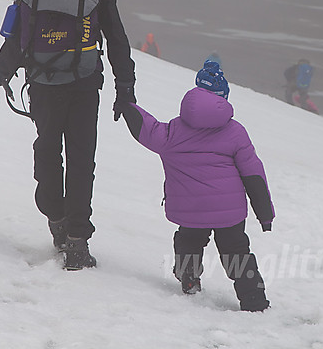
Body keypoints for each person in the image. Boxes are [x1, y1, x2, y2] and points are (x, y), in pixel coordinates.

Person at [0, 0, 136, 270]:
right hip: (84, 85)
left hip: (42, 84)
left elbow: (22, 33)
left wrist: (2, 69)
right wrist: (125, 88)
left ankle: (56, 219)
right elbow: (117, 40)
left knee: (48, 148)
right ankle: (77, 242)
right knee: (82, 160)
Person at [117, 61, 274, 312]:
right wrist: (265, 213)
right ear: (223, 98)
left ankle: (188, 278)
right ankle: (253, 300)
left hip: (189, 207)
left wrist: (126, 105)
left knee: (188, 241)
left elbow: (144, 128)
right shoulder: (235, 132)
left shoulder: (173, 131)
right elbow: (253, 174)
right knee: (236, 252)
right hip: (228, 211)